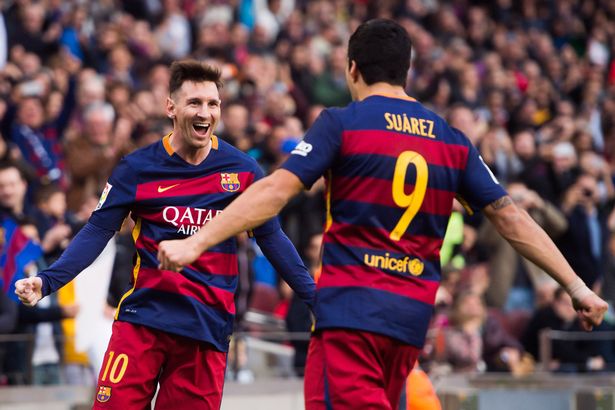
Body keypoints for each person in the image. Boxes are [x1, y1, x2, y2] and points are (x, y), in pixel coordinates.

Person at [157, 20, 608, 409]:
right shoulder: (451, 139)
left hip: (351, 319)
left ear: (352, 68)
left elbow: (276, 189)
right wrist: (576, 287)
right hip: (409, 323)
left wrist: (195, 241)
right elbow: (510, 216)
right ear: (406, 71)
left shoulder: (343, 123)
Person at [15, 60, 315, 409]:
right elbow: (97, 230)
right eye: (194, 103)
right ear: (170, 107)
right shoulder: (137, 168)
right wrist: (48, 281)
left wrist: (314, 297)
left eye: (212, 103)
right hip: (143, 322)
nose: (205, 112)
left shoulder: (243, 171)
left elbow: (272, 238)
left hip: (206, 329)